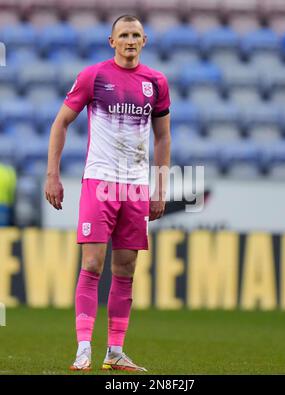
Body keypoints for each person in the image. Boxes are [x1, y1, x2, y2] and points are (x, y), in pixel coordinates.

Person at [44, 14, 171, 372]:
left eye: (136, 35)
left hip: (135, 186)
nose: (130, 40)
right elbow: (61, 123)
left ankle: (114, 351)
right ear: (111, 41)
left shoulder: (156, 82)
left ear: (144, 41)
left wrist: (159, 187)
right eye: (124, 35)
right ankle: (83, 348)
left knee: (126, 269)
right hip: (99, 182)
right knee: (93, 264)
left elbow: (163, 137)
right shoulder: (94, 76)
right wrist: (52, 175)